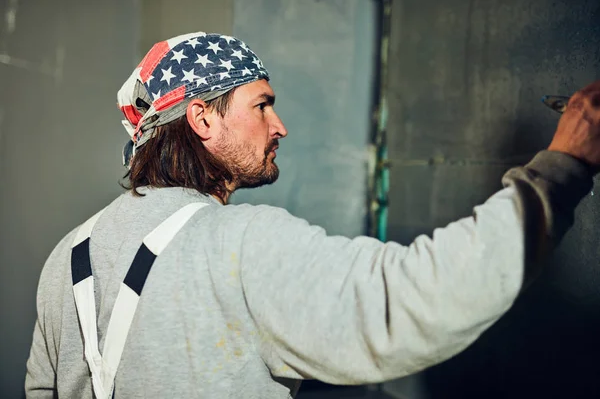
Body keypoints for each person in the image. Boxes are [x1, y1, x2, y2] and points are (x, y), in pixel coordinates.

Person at [24, 31, 600, 398]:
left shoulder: (66, 258)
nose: (280, 126)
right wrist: (564, 164)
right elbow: (412, 296)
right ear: (202, 119)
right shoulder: (238, 245)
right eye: (262, 104)